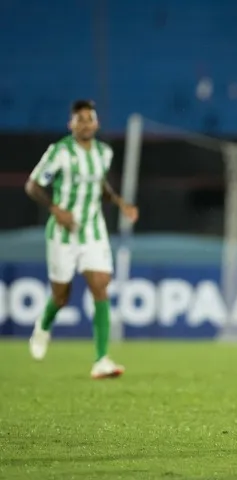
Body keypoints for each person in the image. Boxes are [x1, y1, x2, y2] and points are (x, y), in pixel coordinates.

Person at [25, 99, 139, 379]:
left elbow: (99, 184)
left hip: (93, 231)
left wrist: (120, 202)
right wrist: (55, 209)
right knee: (61, 296)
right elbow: (33, 184)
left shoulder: (103, 153)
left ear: (96, 124)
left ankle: (101, 360)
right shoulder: (60, 151)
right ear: (71, 124)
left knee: (100, 285)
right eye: (80, 119)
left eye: (90, 118)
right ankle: (43, 325)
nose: (86, 123)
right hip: (63, 233)